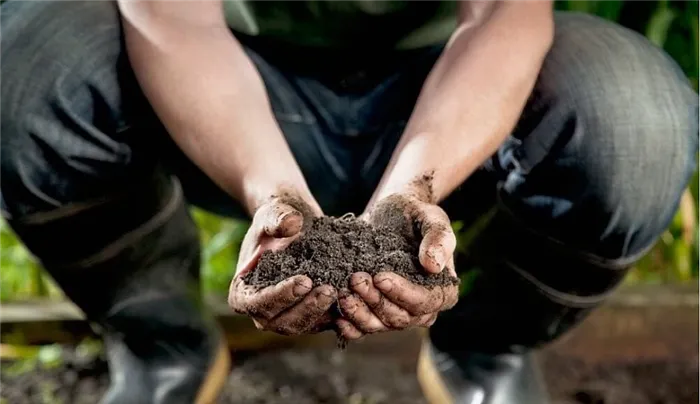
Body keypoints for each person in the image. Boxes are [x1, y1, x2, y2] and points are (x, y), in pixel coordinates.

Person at [0, 0, 696, 403]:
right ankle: (164, 345)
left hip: (449, 98)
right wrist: (273, 190)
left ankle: (486, 351)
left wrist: (411, 188)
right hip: (226, 91)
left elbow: (501, 18)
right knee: (25, 68)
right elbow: (174, 22)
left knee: (636, 120)